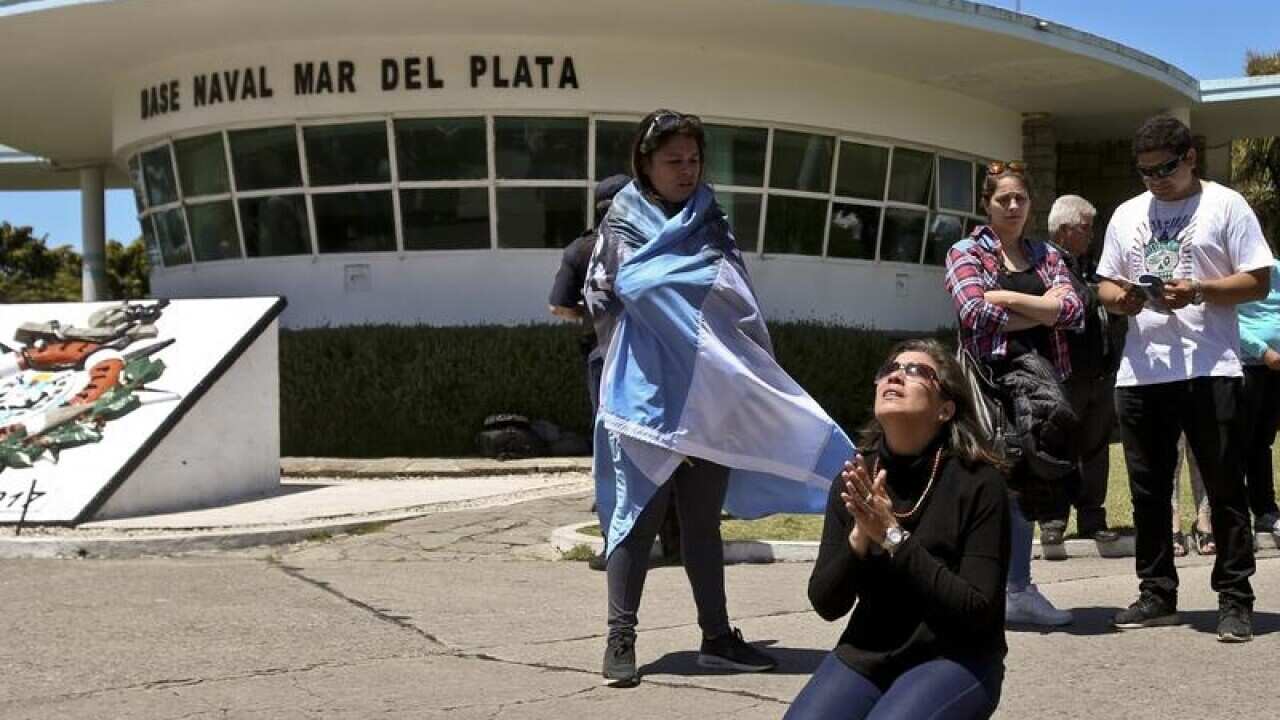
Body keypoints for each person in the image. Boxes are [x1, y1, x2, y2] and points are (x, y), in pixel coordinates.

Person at [585, 109, 854, 687]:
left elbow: (734, 293)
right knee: (636, 521)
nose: (686, 171)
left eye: (693, 160)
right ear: (645, 165)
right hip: (645, 397)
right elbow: (614, 291)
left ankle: (716, 637)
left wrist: (673, 292)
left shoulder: (712, 218)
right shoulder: (622, 221)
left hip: (710, 391)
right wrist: (671, 286)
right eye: (672, 161)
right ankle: (620, 636)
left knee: (704, 523)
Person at [1096, 114, 1271, 642]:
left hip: (1209, 366)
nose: (1155, 180)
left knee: (1223, 486)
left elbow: (1258, 281)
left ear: (1191, 156)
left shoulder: (1226, 205)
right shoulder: (1128, 214)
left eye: (1165, 169)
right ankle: (1157, 594)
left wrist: (1198, 291)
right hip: (1142, 371)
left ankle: (1235, 599)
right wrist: (1121, 299)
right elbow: (1105, 281)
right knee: (1149, 491)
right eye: (1145, 171)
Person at [786, 340, 1010, 720]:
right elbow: (827, 603)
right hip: (870, 649)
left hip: (957, 655)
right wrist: (859, 538)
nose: (895, 374)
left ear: (945, 409)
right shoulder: (855, 482)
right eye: (890, 368)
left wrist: (892, 535)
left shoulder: (979, 482)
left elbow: (978, 609)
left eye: (917, 371)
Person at [944, 160, 1083, 628]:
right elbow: (972, 311)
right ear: (986, 204)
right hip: (990, 383)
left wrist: (1005, 298)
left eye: (1020, 198)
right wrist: (1039, 311)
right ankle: (986, 587)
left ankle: (1017, 589)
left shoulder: (1046, 255)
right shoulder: (965, 251)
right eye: (1003, 198)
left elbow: (1072, 309)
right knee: (989, 483)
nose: (1012, 205)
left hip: (1040, 385)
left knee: (1030, 482)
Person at [547, 173, 683, 572]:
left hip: (604, 361)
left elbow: (558, 306)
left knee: (612, 454)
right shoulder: (658, 242)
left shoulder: (582, 249)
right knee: (663, 442)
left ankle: (616, 546)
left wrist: (592, 316)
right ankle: (675, 540)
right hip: (655, 360)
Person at [1043, 195, 1123, 544]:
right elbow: (1072, 306)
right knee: (1059, 447)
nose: (1093, 235)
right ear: (1063, 231)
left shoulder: (1088, 264)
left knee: (1095, 448)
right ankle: (1053, 520)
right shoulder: (1045, 263)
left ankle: (1092, 518)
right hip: (1065, 374)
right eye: (1086, 228)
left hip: (1099, 373)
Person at [1236, 248, 1280, 540]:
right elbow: (1228, 320)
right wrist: (1263, 351)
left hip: (1276, 368)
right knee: (1240, 441)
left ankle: (1265, 510)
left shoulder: (1276, 268)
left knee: (1263, 441)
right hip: (1246, 365)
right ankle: (1235, 516)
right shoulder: (1234, 274)